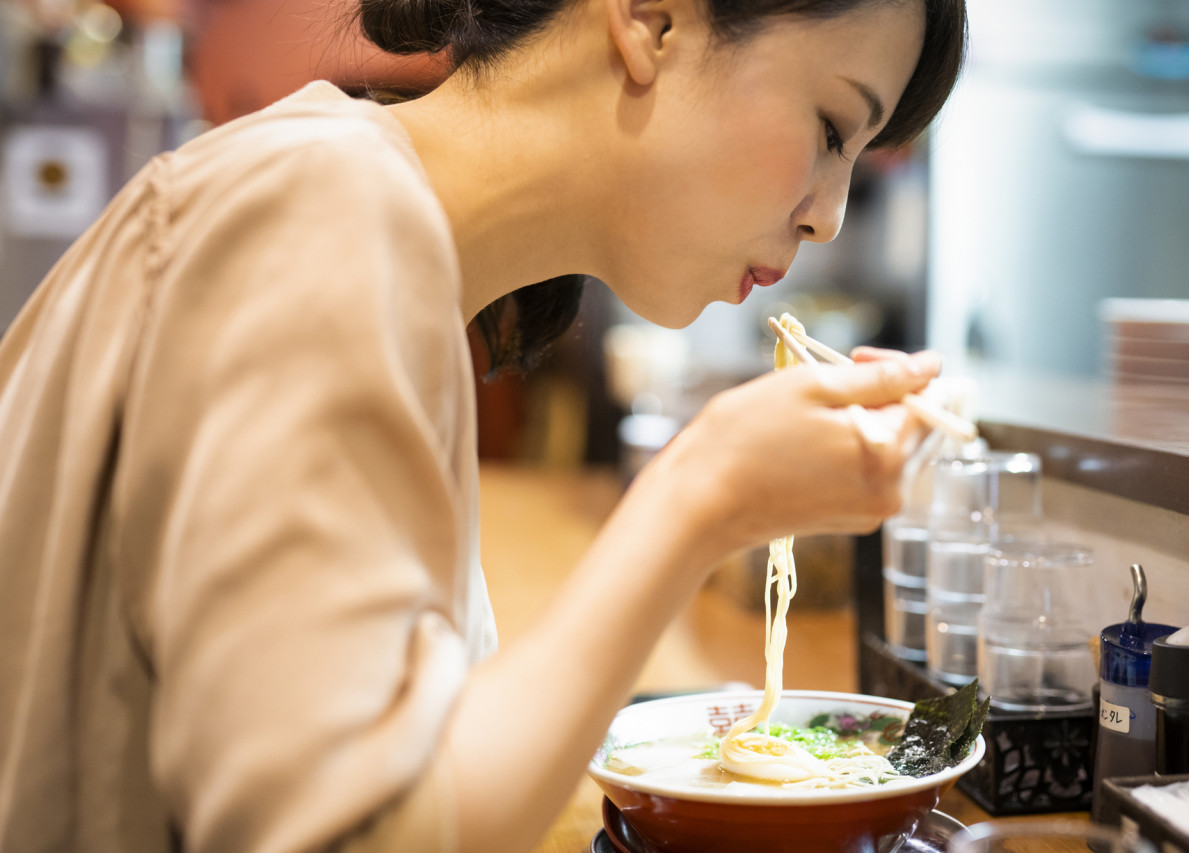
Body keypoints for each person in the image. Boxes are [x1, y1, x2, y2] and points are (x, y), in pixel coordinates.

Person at [0, 0, 966, 850]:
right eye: (834, 126)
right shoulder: (320, 215)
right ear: (650, 20)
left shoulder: (373, 223)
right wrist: (702, 495)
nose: (830, 218)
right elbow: (350, 833)